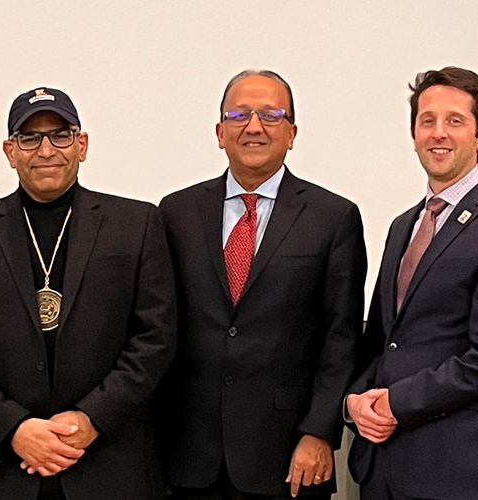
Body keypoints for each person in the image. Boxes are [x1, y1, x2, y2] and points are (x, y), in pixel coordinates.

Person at [0, 87, 177, 500]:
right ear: (10, 151)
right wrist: (13, 427)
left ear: (82, 145)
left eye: (60, 135)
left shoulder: (137, 224)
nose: (46, 149)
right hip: (1, 469)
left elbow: (156, 337)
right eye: (30, 138)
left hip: (111, 466)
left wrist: (92, 418)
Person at [156, 70, 366, 500]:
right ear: (219, 132)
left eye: (271, 115)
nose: (253, 126)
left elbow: (341, 336)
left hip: (289, 454)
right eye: (239, 114)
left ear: (292, 133)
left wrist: (319, 432)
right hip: (189, 455)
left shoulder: (333, 217)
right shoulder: (175, 213)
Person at [346, 66, 478, 500]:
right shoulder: (402, 226)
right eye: (427, 120)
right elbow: (382, 340)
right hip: (380, 467)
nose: (439, 133)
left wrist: (396, 402)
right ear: (413, 133)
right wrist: (354, 402)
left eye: (455, 121)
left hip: (452, 473)